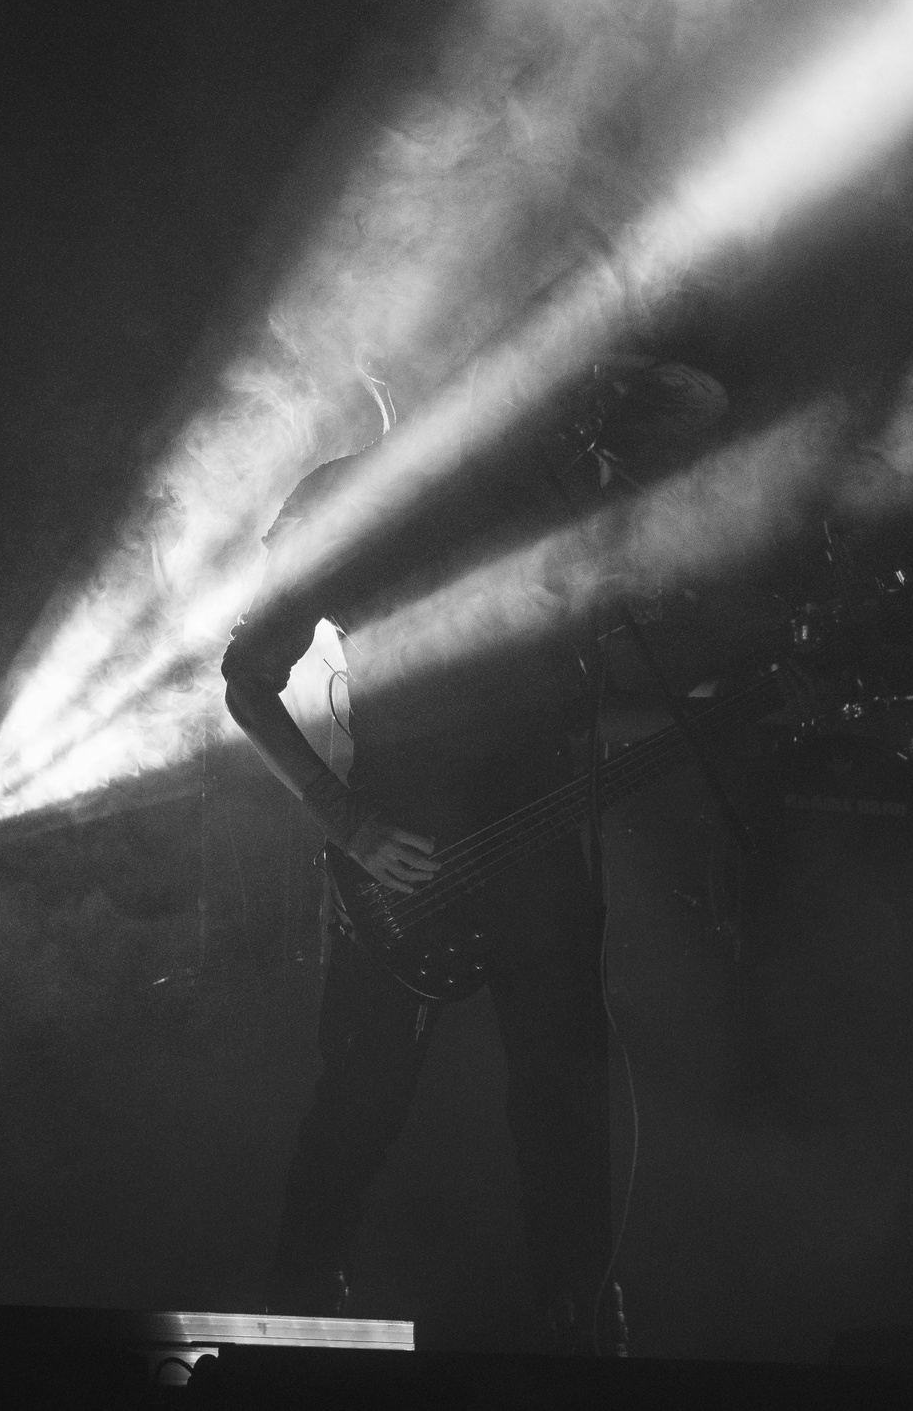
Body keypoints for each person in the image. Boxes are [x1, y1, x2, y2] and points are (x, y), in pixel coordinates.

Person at [221, 363, 723, 1353]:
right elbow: (246, 677)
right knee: (363, 1091)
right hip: (405, 844)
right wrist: (346, 821)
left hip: (536, 830)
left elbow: (690, 408)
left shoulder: (551, 492)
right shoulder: (354, 498)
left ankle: (577, 1313)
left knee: (562, 1085)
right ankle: (294, 1309)